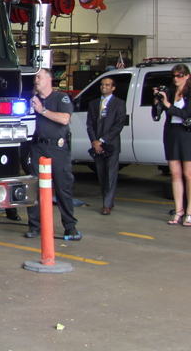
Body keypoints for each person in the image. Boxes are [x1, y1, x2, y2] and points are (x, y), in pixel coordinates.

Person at [24, 67, 80, 240]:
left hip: (57, 148)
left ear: (49, 80)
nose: (36, 80)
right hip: (38, 146)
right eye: (35, 78)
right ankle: (35, 226)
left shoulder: (60, 98)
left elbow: (65, 118)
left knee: (63, 188)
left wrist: (42, 110)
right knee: (34, 187)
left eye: (39, 77)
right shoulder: (34, 100)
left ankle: (70, 227)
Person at [154, 63, 191, 226]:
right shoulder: (169, 91)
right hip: (171, 133)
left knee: (188, 174)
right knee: (175, 174)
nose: (176, 79)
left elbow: (185, 114)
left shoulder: (189, 93)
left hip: (187, 134)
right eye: (174, 76)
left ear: (187, 76)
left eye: (180, 76)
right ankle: (178, 210)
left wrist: (168, 104)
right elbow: (156, 115)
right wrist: (157, 101)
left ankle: (189, 211)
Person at [86, 77, 127, 215]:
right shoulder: (93, 104)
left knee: (111, 175)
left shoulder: (119, 104)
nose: (104, 87)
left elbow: (118, 125)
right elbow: (90, 124)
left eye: (107, 85)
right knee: (102, 175)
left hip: (111, 146)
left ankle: (107, 205)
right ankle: (108, 200)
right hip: (97, 146)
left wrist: (102, 140)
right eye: (102, 84)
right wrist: (94, 141)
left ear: (113, 88)